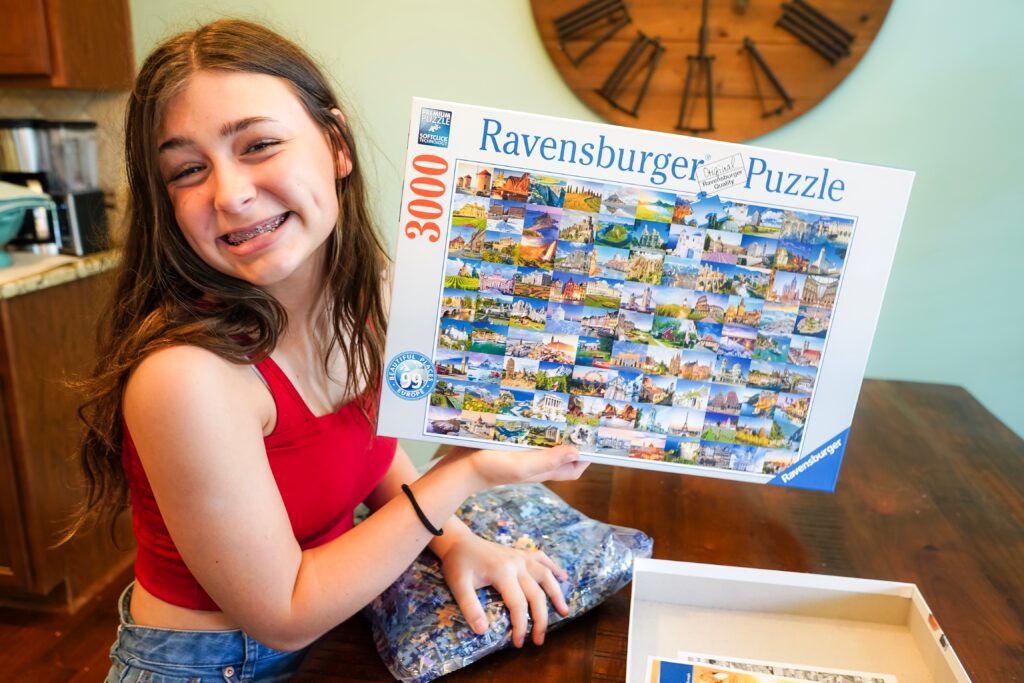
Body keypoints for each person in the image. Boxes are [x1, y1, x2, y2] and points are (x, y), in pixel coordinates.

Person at [71, 19, 588, 683]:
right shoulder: (185, 377)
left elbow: (368, 457)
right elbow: (282, 611)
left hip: (333, 635)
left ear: (337, 145)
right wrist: (465, 474)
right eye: (188, 169)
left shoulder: (363, 297)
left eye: (257, 144)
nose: (228, 194)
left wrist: (456, 539)